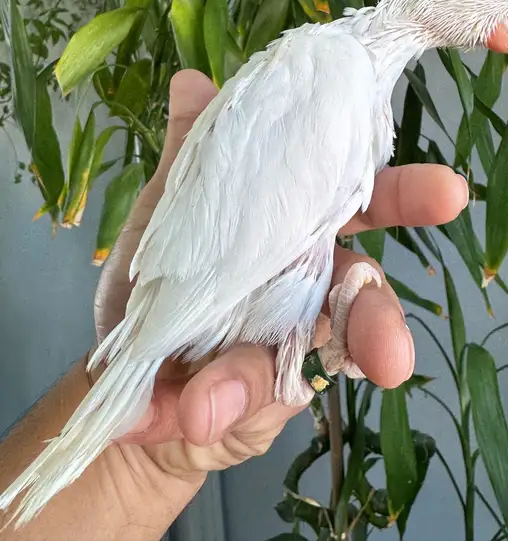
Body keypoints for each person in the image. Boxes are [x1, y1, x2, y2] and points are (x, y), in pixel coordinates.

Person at [0, 69, 469, 540]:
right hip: (183, 318)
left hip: (174, 374)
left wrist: (140, 456)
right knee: (295, 358)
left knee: (298, 362)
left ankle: (306, 366)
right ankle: (304, 366)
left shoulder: (355, 93)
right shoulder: (327, 70)